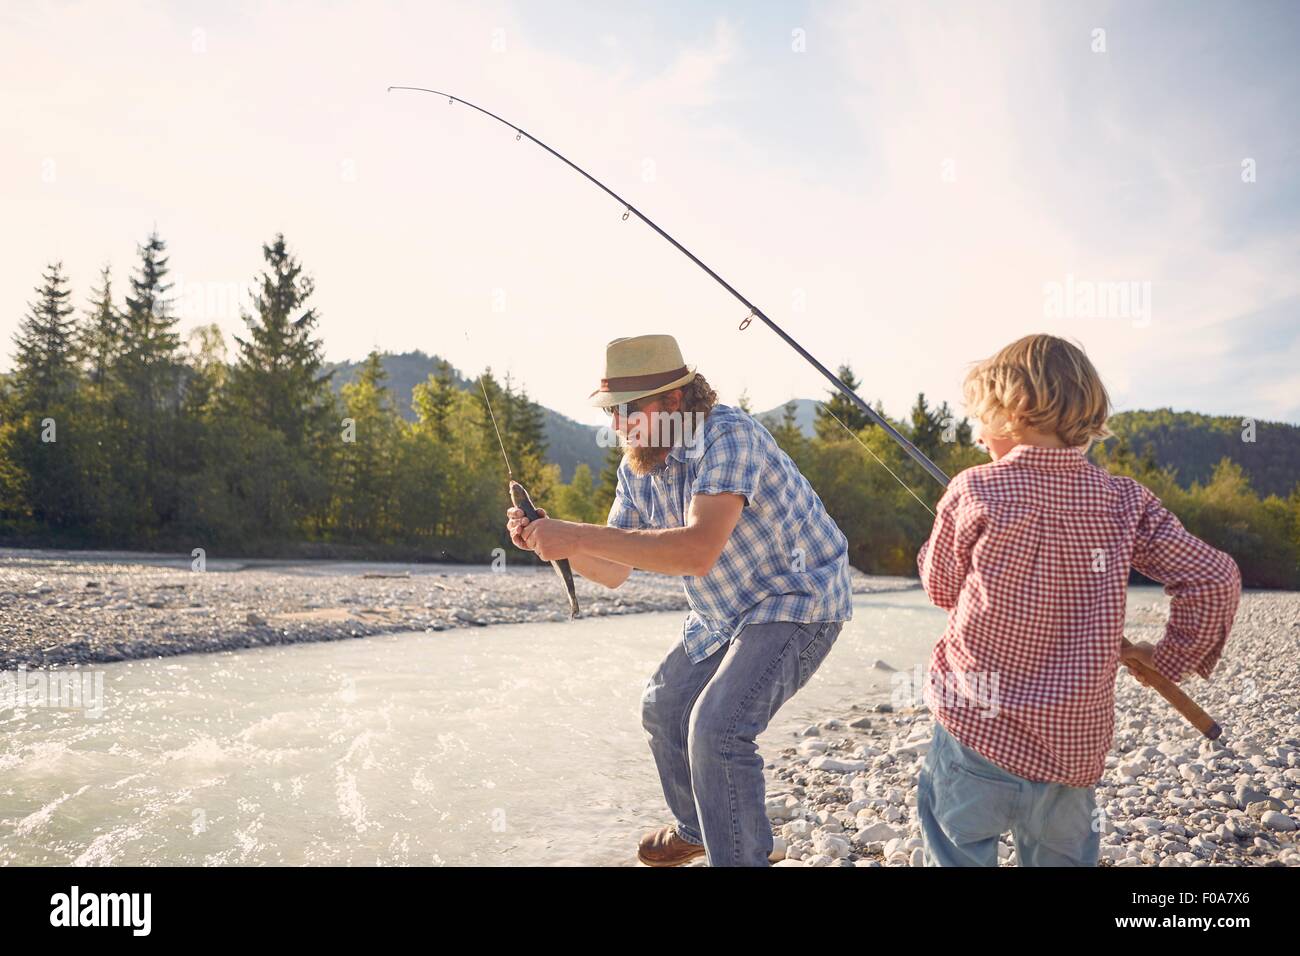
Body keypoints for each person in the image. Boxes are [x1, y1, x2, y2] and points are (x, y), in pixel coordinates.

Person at [506, 333, 852, 866]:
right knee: (663, 707)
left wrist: (576, 535)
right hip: (723, 612)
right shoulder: (636, 467)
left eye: (627, 409)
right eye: (610, 411)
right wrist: (549, 540)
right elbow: (616, 569)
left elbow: (695, 551)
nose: (616, 424)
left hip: (797, 600)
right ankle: (700, 826)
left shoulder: (729, 437)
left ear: (673, 401)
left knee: (717, 728)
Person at [914, 333, 1241, 866]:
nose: (978, 438)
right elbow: (1214, 576)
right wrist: (1171, 658)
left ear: (1010, 412)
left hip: (975, 731)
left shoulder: (973, 489)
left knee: (955, 851)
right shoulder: (1124, 501)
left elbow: (941, 588)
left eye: (981, 420)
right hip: (1073, 751)